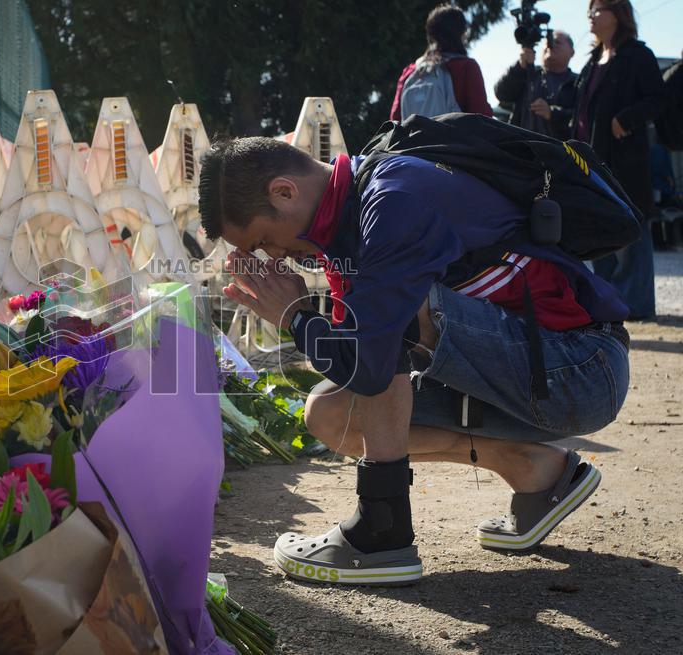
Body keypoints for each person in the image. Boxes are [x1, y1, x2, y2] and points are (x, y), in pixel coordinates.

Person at [198, 137, 630, 584]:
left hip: (580, 371)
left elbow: (371, 363)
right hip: (529, 371)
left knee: (392, 321)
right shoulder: (350, 211)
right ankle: (532, 468)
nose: (275, 255)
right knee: (332, 415)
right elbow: (358, 367)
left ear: (284, 192)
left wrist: (296, 316)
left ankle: (381, 533)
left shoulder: (392, 202)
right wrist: (303, 317)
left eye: (265, 240)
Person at [572, 0, 668, 320]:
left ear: (619, 15)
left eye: (599, 9)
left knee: (630, 234)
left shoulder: (638, 55)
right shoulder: (591, 62)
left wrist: (626, 119)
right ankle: (608, 303)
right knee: (601, 235)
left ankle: (636, 306)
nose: (592, 15)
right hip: (592, 165)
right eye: (591, 10)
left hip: (625, 164)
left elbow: (658, 99)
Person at [390, 4, 492, 120]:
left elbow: (395, 119)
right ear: (462, 34)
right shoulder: (466, 67)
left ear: (430, 35)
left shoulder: (409, 72)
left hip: (414, 138)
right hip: (453, 138)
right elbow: (482, 117)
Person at [494, 31, 578, 139]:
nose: (550, 45)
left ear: (572, 52)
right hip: (523, 150)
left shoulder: (579, 82)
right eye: (547, 41)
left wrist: (553, 114)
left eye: (557, 42)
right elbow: (501, 94)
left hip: (561, 152)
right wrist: (519, 68)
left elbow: (584, 118)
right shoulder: (528, 74)